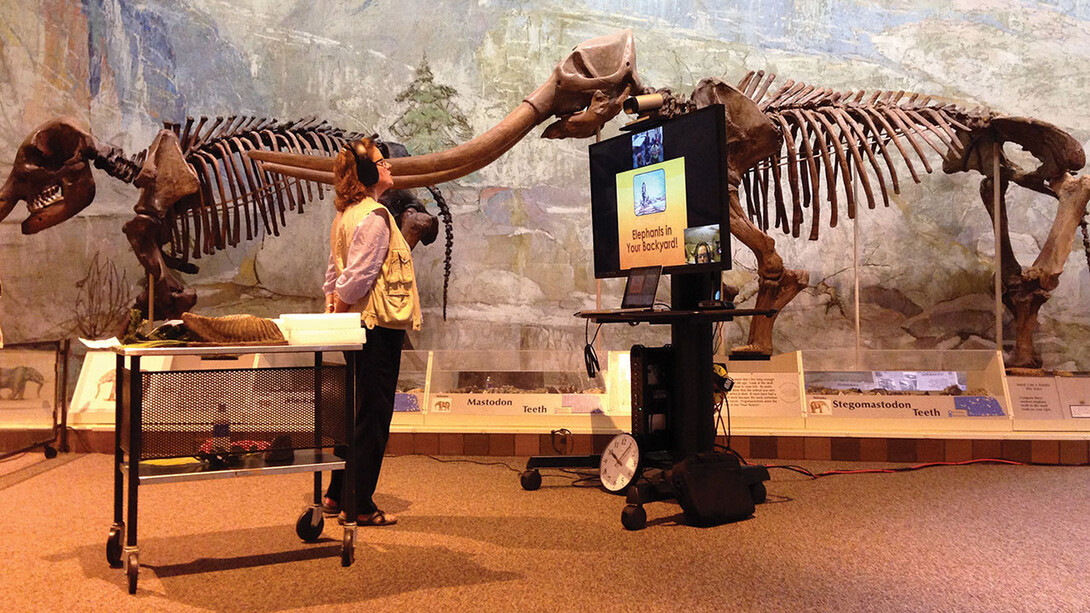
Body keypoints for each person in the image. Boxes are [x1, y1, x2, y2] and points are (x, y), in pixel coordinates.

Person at [321, 137, 421, 526]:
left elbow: (333, 276)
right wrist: (341, 314)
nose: (390, 167)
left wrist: (336, 314)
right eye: (382, 163)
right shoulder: (376, 216)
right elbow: (355, 279)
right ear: (365, 173)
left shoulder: (345, 217)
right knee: (373, 416)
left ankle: (335, 495)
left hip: (359, 327)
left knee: (356, 412)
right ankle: (358, 504)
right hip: (376, 327)